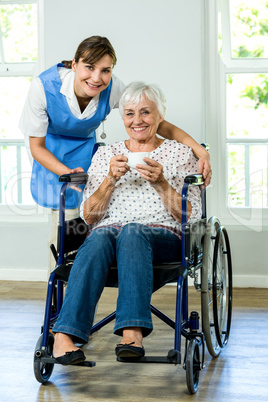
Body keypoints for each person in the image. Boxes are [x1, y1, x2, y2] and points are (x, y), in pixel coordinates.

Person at [19, 36, 211, 272]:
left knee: (95, 224)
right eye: (89, 67)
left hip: (87, 153)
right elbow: (36, 146)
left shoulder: (114, 87)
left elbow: (151, 120)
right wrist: (66, 173)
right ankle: (60, 300)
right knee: (66, 233)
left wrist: (200, 151)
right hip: (51, 155)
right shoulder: (43, 87)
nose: (97, 78)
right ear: (74, 63)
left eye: (105, 70)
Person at [52, 81, 202, 365]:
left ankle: (132, 332)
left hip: (163, 239)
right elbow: (90, 217)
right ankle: (64, 336)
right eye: (130, 113)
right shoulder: (106, 155)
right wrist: (109, 180)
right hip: (108, 237)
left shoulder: (181, 153)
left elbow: (190, 215)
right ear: (122, 119)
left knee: (133, 231)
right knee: (97, 236)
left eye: (146, 112)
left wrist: (161, 183)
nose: (138, 120)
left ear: (160, 116)